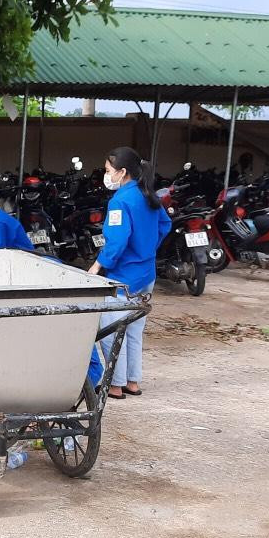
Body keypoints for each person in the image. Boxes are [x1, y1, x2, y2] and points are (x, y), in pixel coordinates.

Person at [88, 146, 170, 400]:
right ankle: (132, 382)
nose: (106, 175)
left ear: (122, 172)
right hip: (146, 274)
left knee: (110, 330)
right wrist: (146, 249)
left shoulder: (120, 201)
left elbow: (117, 241)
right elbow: (165, 225)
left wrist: (98, 265)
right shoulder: (148, 195)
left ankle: (114, 385)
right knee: (134, 331)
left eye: (107, 170)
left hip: (123, 277)